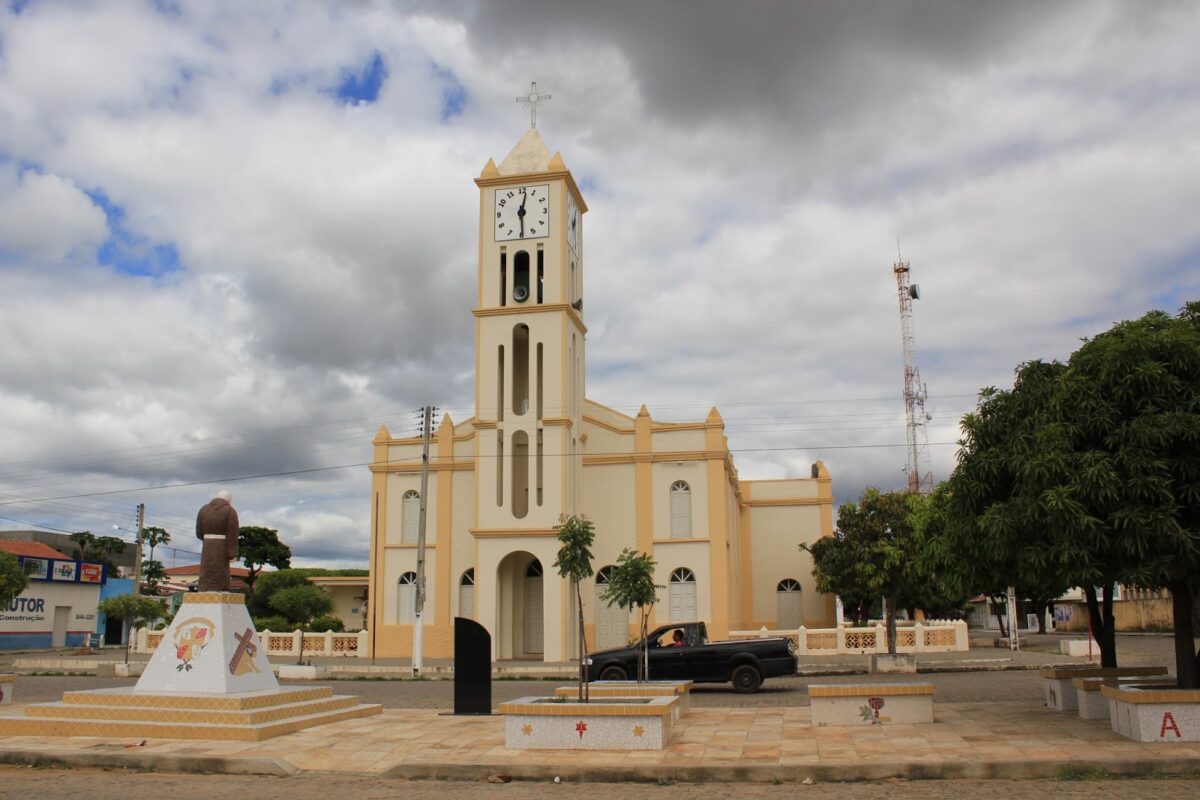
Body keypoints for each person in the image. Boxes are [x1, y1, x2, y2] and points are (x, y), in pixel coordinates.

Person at [195, 490, 240, 592]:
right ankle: (221, 589)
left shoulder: (203, 510)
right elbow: (232, 533)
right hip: (221, 545)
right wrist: (232, 553)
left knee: (206, 568)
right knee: (221, 569)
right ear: (229, 499)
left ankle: (203, 588)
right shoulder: (230, 510)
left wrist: (208, 539)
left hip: (207, 544)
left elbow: (198, 532)